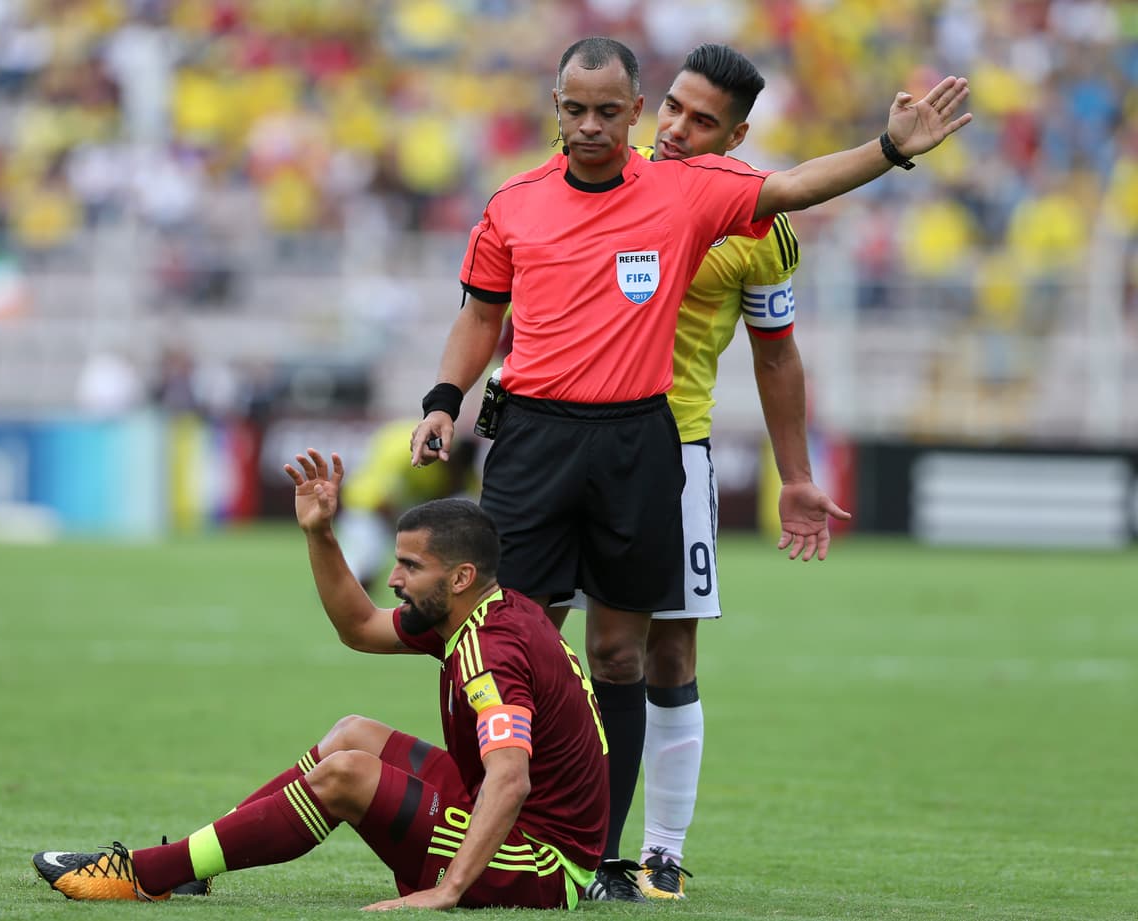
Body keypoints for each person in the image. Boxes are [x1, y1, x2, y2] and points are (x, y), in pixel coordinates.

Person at [408, 37, 970, 903]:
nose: (597, 124)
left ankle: (613, 854)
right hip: (533, 439)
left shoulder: (696, 196)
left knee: (630, 651)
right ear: (557, 106)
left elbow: (791, 197)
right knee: (510, 640)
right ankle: (487, 834)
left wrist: (890, 148)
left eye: (612, 110)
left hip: (652, 442)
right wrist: (443, 398)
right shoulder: (515, 202)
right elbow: (481, 314)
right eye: (575, 108)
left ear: (632, 115)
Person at [31, 449, 609, 910]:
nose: (394, 579)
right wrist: (320, 534)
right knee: (351, 734)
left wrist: (447, 891)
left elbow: (511, 780)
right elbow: (359, 626)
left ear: (459, 576)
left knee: (347, 776)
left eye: (410, 567)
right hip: (513, 825)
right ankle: (187, 870)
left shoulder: (491, 648)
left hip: (541, 870)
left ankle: (151, 873)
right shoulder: (475, 610)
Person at [630, 43, 853, 901]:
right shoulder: (602, 176)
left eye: (702, 120)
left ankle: (661, 850)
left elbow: (777, 355)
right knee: (536, 638)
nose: (678, 129)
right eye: (673, 108)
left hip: (675, 446)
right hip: (565, 441)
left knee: (669, 643)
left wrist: (794, 474)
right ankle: (544, 830)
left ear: (738, 134)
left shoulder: (760, 224)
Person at [338, 419, 481, 591]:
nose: (455, 476)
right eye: (454, 469)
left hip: (407, 506)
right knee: (362, 568)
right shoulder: (410, 453)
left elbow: (468, 504)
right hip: (368, 506)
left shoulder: (462, 468)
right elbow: (381, 501)